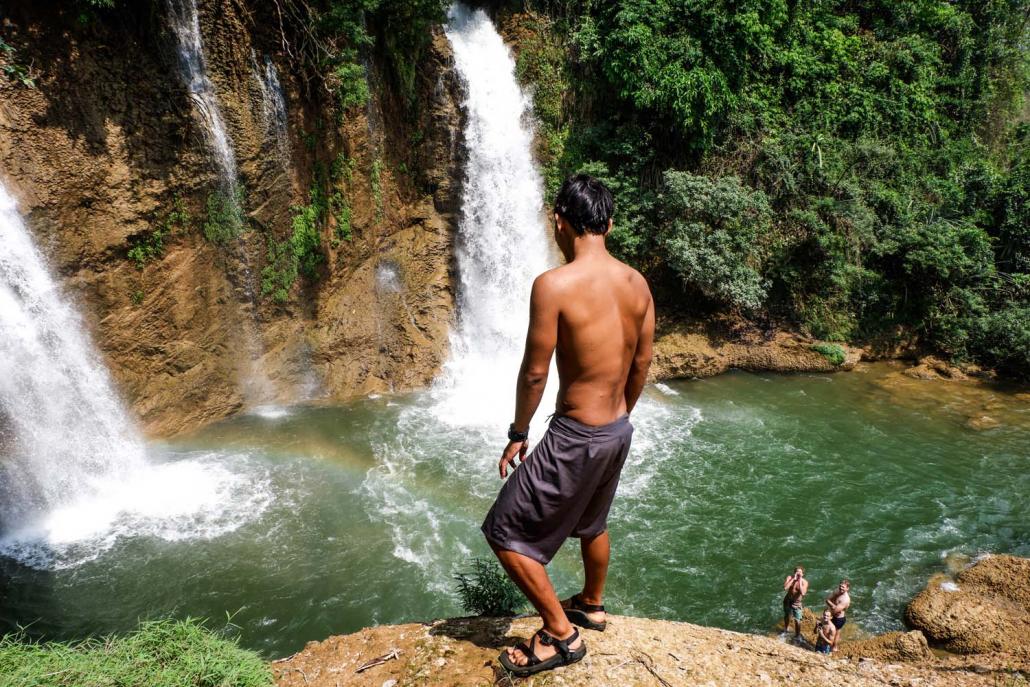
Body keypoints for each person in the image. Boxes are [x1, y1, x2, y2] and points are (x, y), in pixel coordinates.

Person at [481, 174, 655, 678]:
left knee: (504, 532)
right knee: (591, 521)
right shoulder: (637, 283)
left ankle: (561, 631)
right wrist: (619, 416)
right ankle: (593, 603)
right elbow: (641, 363)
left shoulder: (554, 285)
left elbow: (536, 371)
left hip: (576, 434)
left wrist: (519, 431)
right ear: (610, 223)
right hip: (617, 429)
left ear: (561, 220)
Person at [782, 566, 808, 637]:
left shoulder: (804, 582)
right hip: (788, 600)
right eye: (797, 571)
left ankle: (797, 635)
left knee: (797, 620)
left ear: (803, 574)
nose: (798, 573)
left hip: (797, 603)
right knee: (787, 615)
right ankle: (786, 628)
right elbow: (785, 588)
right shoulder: (789, 578)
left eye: (800, 572)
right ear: (794, 572)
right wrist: (793, 579)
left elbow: (803, 593)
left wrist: (799, 581)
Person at [825, 579, 851, 651]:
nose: (841, 588)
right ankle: (831, 647)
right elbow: (827, 599)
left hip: (839, 619)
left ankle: (834, 648)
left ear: (847, 588)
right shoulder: (837, 591)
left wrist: (830, 611)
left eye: (843, 587)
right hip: (833, 615)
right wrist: (833, 605)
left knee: (835, 633)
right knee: (830, 632)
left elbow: (835, 611)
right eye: (840, 586)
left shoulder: (845, 599)